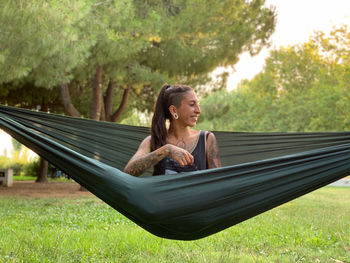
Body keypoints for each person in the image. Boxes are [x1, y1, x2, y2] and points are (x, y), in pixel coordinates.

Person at [124, 84, 221, 176]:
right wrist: (167, 150)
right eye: (192, 104)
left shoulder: (206, 139)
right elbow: (128, 172)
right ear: (174, 110)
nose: (198, 111)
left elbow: (218, 181)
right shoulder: (153, 141)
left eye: (198, 104)